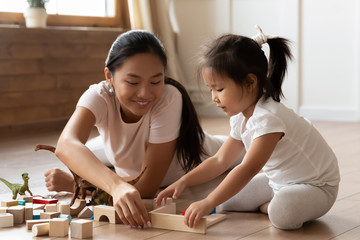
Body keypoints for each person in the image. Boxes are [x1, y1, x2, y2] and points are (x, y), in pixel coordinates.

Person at [156, 26, 340, 230]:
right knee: (227, 201)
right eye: (211, 89)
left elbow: (248, 168)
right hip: (278, 183)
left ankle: (272, 207)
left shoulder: (268, 119)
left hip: (317, 187)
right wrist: (184, 181)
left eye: (219, 89)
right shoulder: (240, 117)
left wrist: (208, 202)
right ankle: (271, 204)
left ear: (250, 82)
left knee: (280, 214)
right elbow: (219, 160)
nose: (214, 98)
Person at [46, 29, 235, 229]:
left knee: (247, 148)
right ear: (109, 76)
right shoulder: (99, 95)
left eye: (155, 81)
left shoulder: (169, 97)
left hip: (206, 150)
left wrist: (78, 185)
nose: (145, 93)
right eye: (132, 82)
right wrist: (116, 185)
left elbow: (146, 188)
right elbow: (66, 145)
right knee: (83, 155)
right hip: (124, 156)